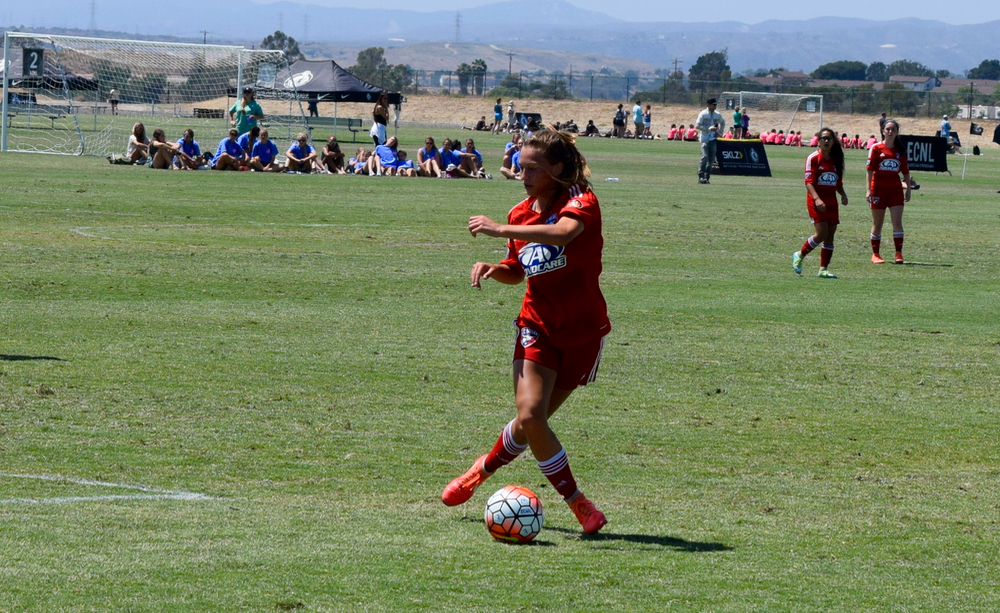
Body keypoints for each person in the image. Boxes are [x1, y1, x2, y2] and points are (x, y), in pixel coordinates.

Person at [441, 126, 611, 536]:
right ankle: (579, 504)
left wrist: (500, 229)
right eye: (519, 168)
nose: (522, 175)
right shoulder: (521, 214)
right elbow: (518, 271)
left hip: (583, 331)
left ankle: (479, 471)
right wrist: (494, 268)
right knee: (532, 415)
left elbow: (565, 233)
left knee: (530, 423)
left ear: (556, 168)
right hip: (536, 325)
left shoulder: (582, 202)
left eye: (532, 168)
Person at [792, 127, 849, 279]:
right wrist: (817, 199)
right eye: (823, 138)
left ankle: (823, 269)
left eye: (829, 138)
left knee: (830, 236)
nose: (826, 141)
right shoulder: (813, 158)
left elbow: (837, 182)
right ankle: (799, 254)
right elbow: (808, 182)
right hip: (816, 201)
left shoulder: (836, 159)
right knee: (822, 233)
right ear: (818, 141)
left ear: (833, 141)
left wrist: (843, 194)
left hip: (832, 202)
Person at [866, 118, 911, 264]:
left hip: (895, 190)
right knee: (877, 223)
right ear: (883, 131)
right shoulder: (876, 148)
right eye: (888, 129)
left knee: (897, 221)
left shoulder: (900, 150)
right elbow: (870, 170)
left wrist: (908, 189)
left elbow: (905, 172)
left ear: (897, 132)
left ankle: (898, 254)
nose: (890, 132)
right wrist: (868, 190)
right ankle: (875, 254)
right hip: (878, 190)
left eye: (893, 129)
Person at [695, 98, 725, 184]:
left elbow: (723, 122)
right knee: (704, 156)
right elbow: (697, 126)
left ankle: (707, 176)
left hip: (713, 139)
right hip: (704, 139)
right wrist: (708, 129)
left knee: (711, 160)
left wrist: (719, 132)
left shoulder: (717, 114)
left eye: (716, 105)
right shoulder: (703, 114)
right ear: (708, 105)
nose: (715, 106)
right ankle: (701, 176)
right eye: (713, 104)